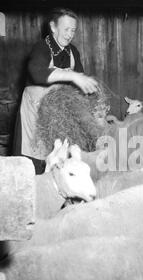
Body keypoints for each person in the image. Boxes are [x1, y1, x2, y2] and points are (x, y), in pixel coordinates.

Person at [12, 7, 99, 174]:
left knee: (61, 161)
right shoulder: (42, 47)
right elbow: (37, 73)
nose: (70, 34)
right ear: (53, 27)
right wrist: (73, 76)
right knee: (34, 162)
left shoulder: (73, 51)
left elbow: (79, 84)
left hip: (58, 116)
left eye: (73, 30)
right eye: (66, 29)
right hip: (35, 115)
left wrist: (90, 101)